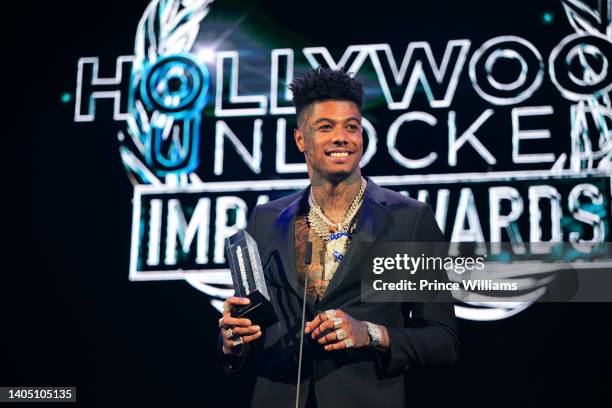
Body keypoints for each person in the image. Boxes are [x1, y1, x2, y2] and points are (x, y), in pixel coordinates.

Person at [217, 67, 459, 408]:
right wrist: (232, 341)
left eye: (352, 126)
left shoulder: (408, 219)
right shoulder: (266, 220)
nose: (342, 137)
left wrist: (370, 334)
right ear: (300, 139)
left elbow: (442, 340)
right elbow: (252, 330)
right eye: (325, 127)